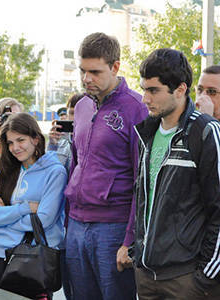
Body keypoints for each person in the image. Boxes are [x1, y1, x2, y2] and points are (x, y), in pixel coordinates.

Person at [64, 32, 148, 300]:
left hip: (113, 226)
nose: (86, 78)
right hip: (76, 223)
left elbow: (142, 179)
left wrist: (129, 239)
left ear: (115, 67)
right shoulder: (81, 107)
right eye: (82, 71)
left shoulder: (137, 108)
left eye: (95, 72)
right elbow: (76, 163)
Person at [134, 48, 220, 299]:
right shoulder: (147, 133)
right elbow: (143, 199)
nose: (145, 99)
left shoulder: (205, 132)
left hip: (186, 280)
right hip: (146, 276)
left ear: (180, 90)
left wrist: (205, 277)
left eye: (153, 90)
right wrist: (135, 252)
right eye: (144, 89)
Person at [0, 112, 67, 299]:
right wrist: (25, 208)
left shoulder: (55, 172)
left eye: (20, 140)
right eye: (10, 142)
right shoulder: (6, 171)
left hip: (34, 259)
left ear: (36, 139)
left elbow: (44, 219)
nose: (15, 147)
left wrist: (4, 216)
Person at [48, 93, 84, 173]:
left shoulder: (94, 143)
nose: (75, 117)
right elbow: (49, 170)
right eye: (72, 113)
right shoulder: (60, 142)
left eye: (80, 113)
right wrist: (52, 146)